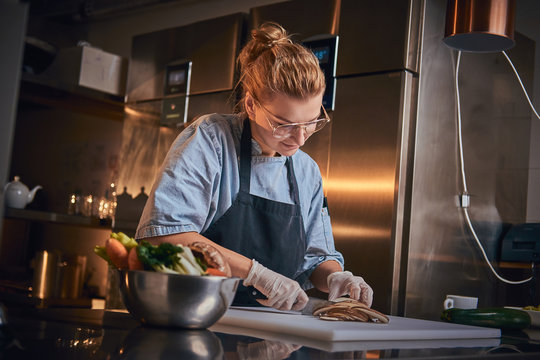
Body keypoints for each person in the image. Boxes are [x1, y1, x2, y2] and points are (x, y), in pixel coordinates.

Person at [135, 22, 373, 311]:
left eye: (311, 123)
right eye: (284, 125)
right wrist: (254, 273)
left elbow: (316, 258)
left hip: (274, 333)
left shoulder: (306, 171)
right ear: (250, 105)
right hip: (196, 315)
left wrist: (338, 276)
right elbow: (164, 235)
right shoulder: (212, 140)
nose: (299, 138)